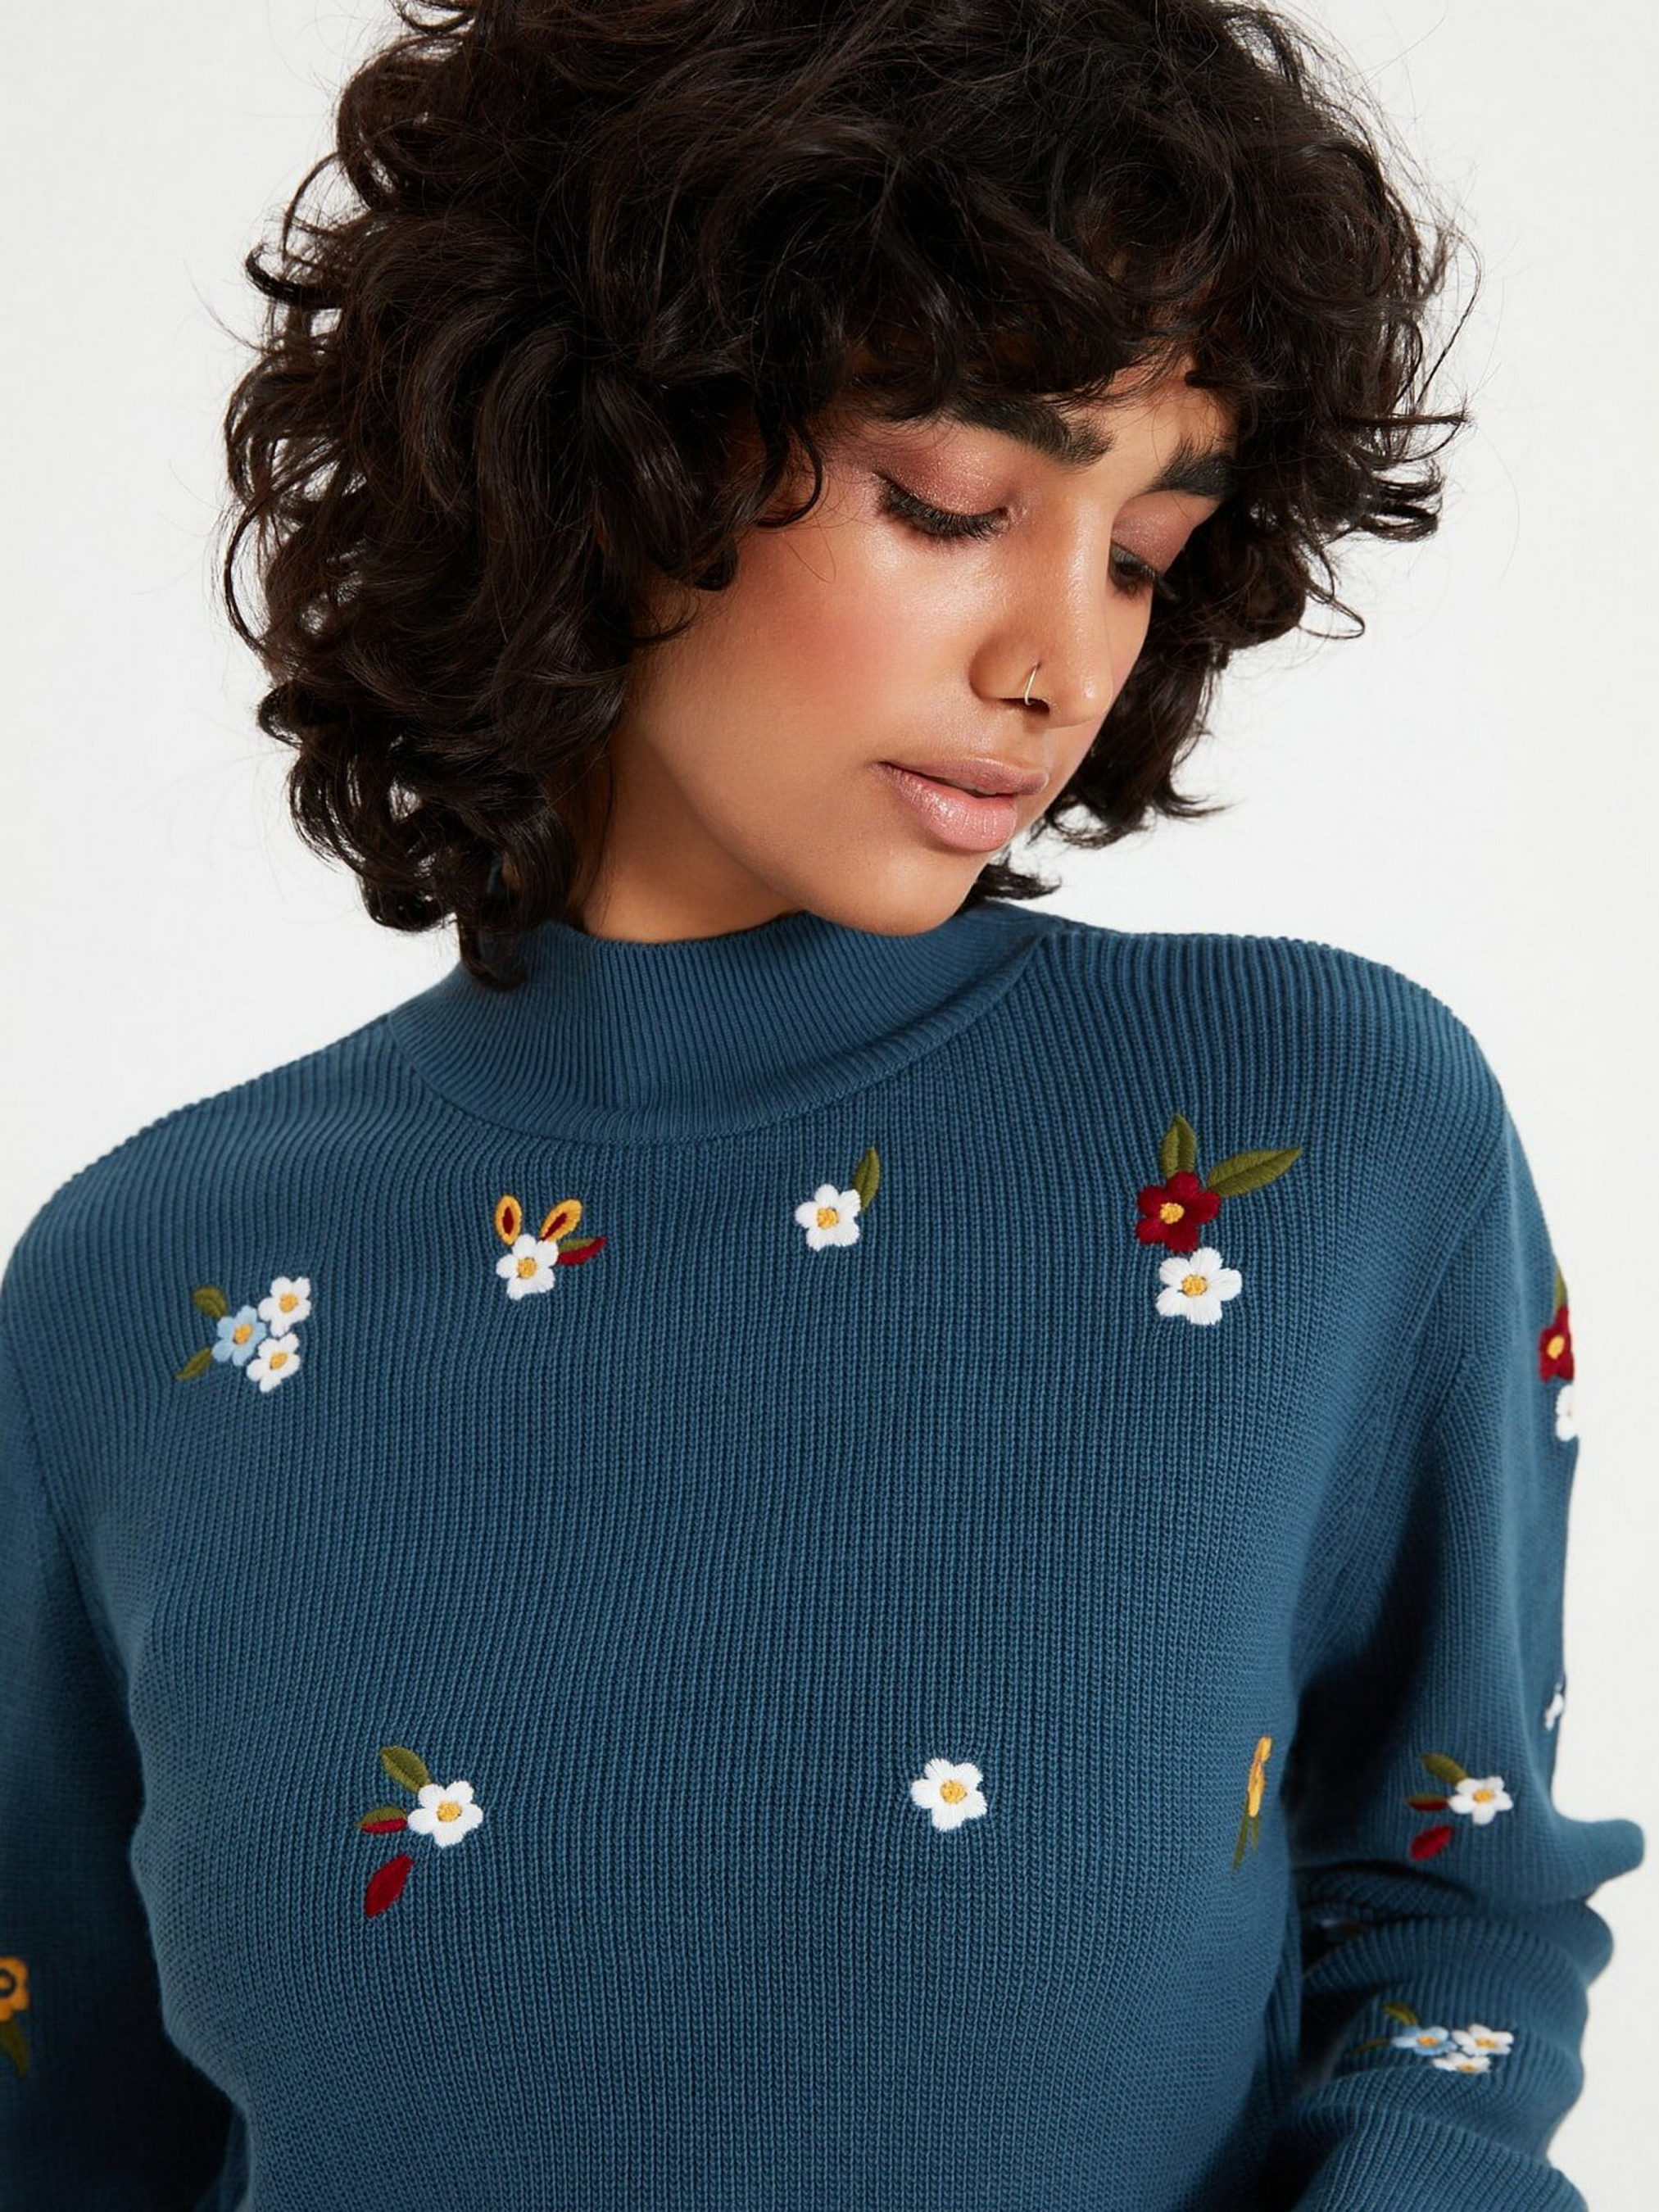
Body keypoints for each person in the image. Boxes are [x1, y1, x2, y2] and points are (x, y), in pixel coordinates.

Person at [0, 2, 1641, 2205]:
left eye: (1141, 551)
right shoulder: (146, 1285)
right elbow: (58, 2101)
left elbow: (1455, 1912)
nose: (1059, 662)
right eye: (952, 504)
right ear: (610, 451)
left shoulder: (1316, 1141)